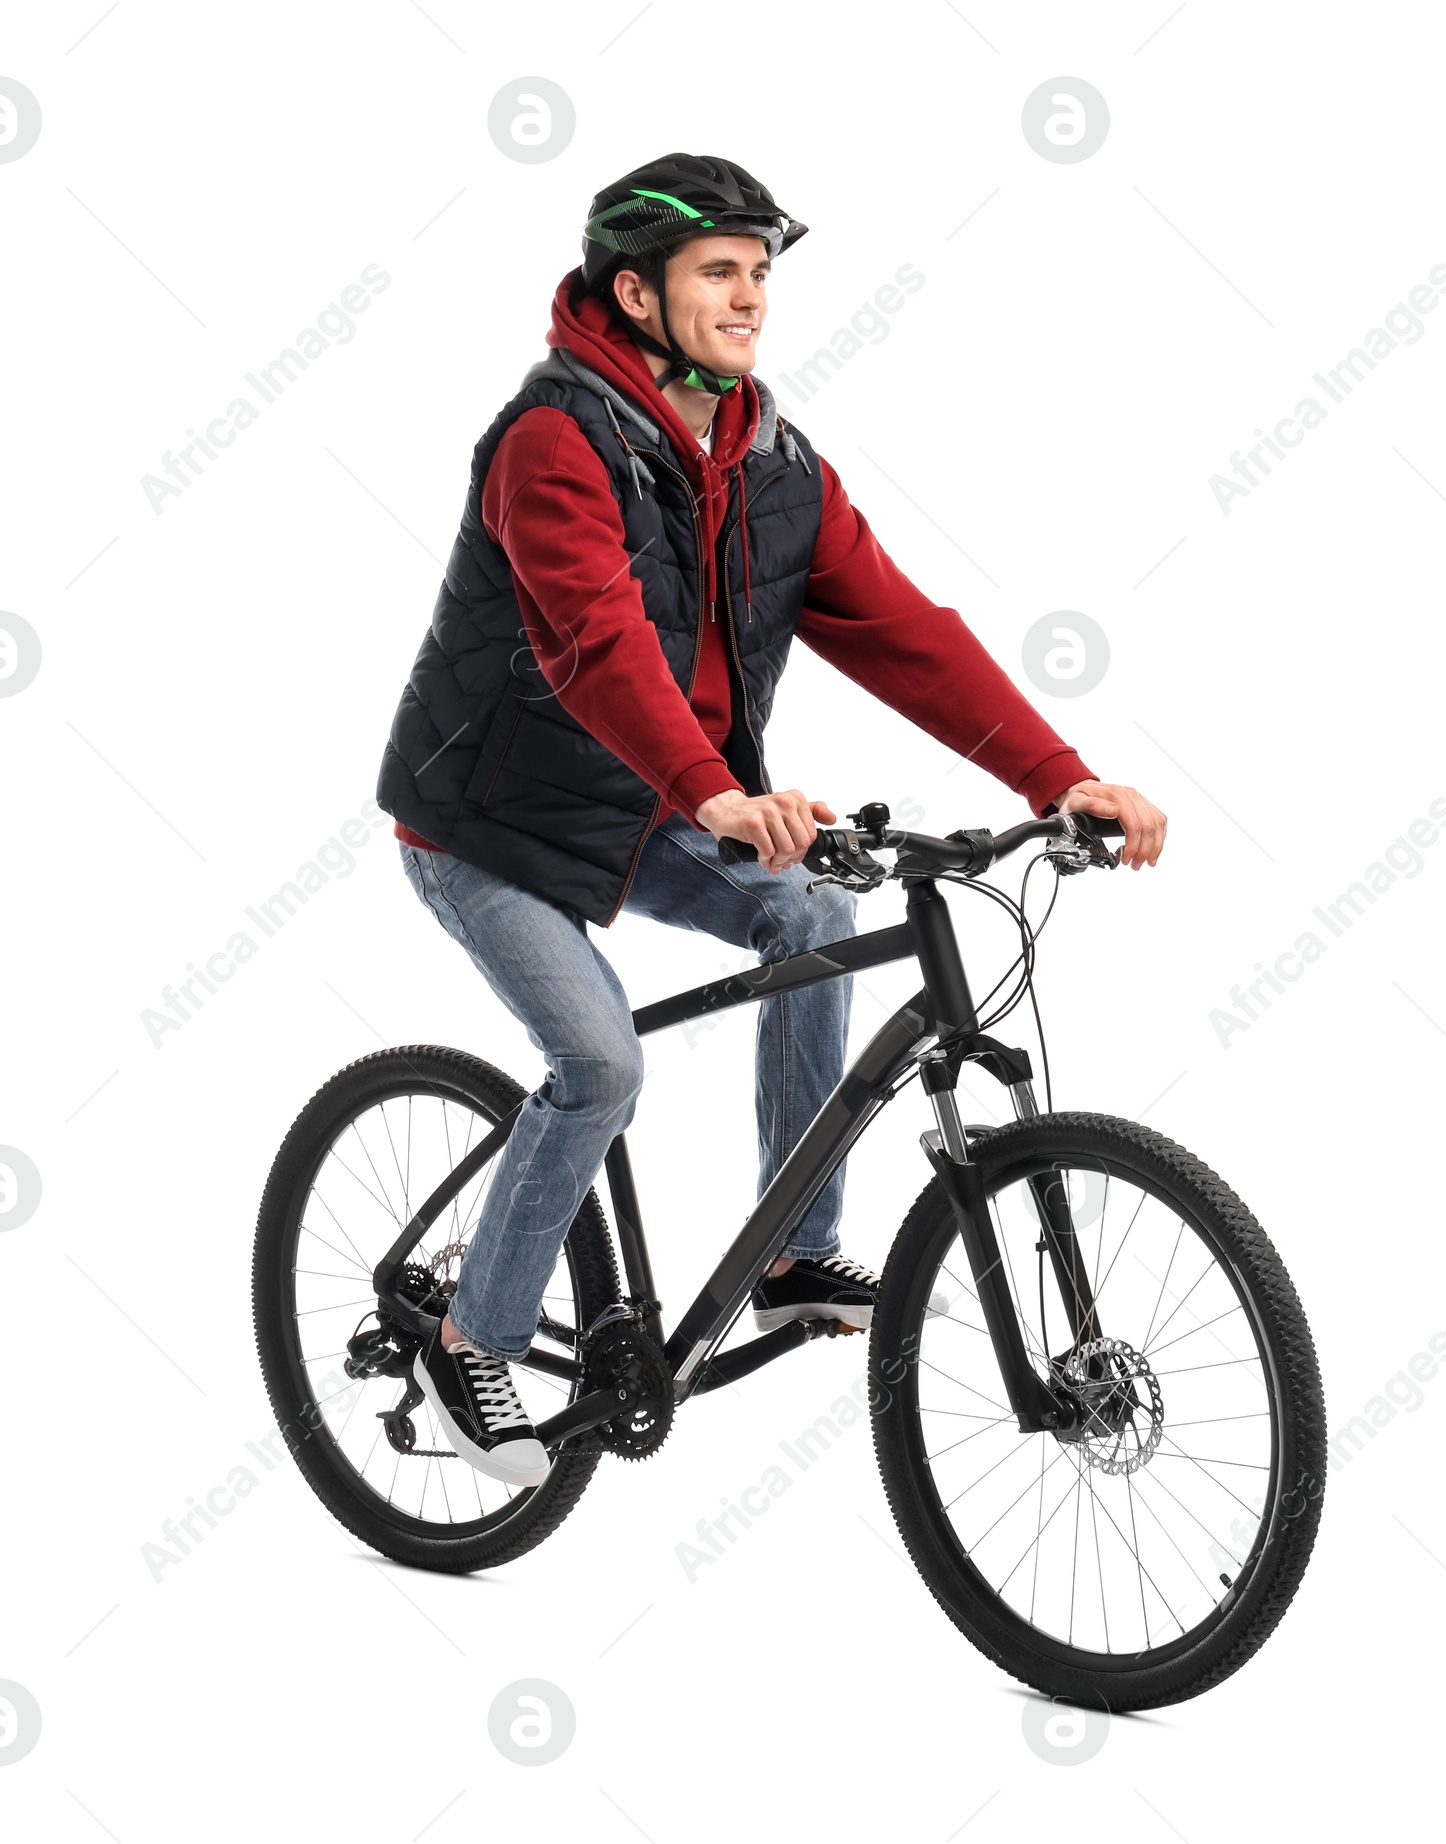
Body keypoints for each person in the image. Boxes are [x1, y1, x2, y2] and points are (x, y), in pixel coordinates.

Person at [375, 153, 1167, 1487]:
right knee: (602, 1069)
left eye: (760, 273)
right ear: (635, 291)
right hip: (488, 827)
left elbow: (902, 630)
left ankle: (794, 1257)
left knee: (816, 910)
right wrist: (719, 794)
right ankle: (471, 1338)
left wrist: (1056, 777)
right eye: (718, 274)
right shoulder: (551, 444)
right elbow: (597, 643)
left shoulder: (767, 456)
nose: (751, 298)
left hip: (653, 803)